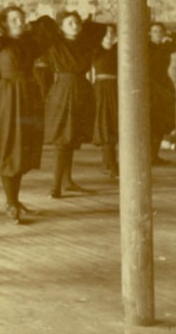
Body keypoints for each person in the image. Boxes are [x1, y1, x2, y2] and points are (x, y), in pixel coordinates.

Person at [0, 6, 58, 223]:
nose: (19, 22)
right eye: (14, 19)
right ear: (4, 23)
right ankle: (10, 202)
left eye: (22, 18)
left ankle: (15, 201)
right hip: (7, 97)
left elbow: (49, 26)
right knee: (10, 146)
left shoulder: (29, 43)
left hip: (28, 95)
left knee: (22, 147)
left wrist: (30, 26)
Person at [42, 11, 108, 197]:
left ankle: (67, 181)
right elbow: (44, 28)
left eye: (77, 22)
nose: (75, 25)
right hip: (64, 90)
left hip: (82, 89)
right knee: (63, 139)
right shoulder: (55, 44)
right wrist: (60, 25)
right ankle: (55, 187)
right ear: (60, 28)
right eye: (69, 22)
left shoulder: (84, 43)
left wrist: (86, 22)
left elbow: (99, 29)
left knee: (71, 139)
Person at [148, 19, 176, 164]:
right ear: (149, 34)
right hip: (150, 85)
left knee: (161, 122)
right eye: (155, 31)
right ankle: (148, 155)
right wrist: (165, 43)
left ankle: (154, 155)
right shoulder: (147, 47)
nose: (158, 34)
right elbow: (153, 60)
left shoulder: (166, 45)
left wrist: (171, 35)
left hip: (163, 84)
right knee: (150, 121)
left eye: (161, 31)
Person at [92, 24, 119, 177]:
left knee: (114, 126)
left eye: (112, 33)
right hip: (101, 91)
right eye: (106, 33)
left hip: (117, 89)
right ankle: (112, 166)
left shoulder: (118, 50)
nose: (109, 36)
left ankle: (109, 163)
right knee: (105, 125)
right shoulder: (96, 50)